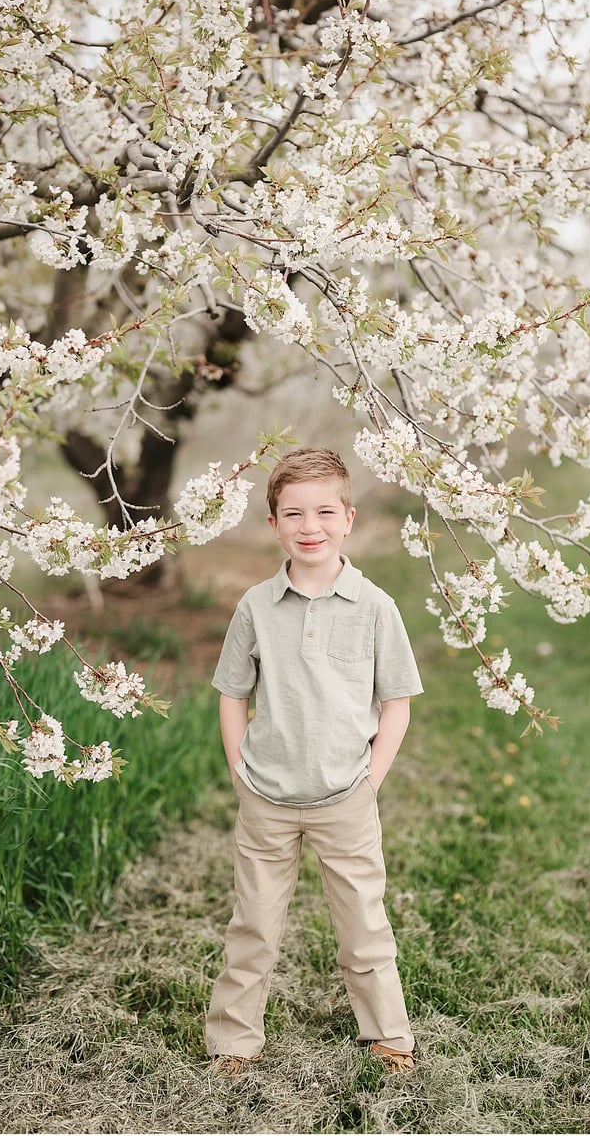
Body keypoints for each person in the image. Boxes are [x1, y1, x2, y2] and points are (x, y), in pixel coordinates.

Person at [205, 447, 423, 1077]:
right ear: (273, 523)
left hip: (345, 796)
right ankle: (233, 1041)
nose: (311, 526)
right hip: (267, 798)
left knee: (363, 925)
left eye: (325, 512)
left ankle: (388, 1035)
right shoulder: (255, 606)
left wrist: (370, 779)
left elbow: (397, 703)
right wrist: (239, 768)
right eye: (294, 513)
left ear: (348, 519)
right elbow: (232, 693)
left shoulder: (375, 607)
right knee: (253, 926)